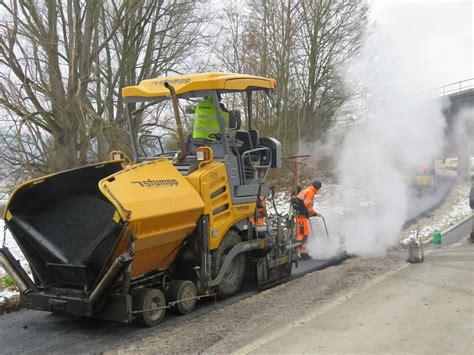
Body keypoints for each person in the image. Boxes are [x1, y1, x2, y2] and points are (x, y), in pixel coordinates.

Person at [294, 180, 322, 254]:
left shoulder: (307, 190)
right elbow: (306, 205)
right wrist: (314, 213)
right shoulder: (310, 192)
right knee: (304, 232)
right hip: (301, 215)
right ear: (317, 188)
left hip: (300, 214)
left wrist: (313, 213)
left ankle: (301, 247)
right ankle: (301, 248)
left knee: (301, 231)